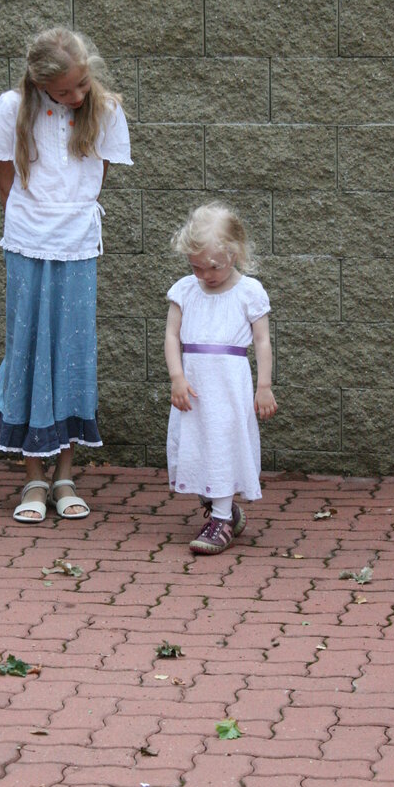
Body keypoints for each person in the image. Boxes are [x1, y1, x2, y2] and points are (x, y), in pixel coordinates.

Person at [0, 27, 132, 522]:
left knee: (71, 352)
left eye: (82, 84)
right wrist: (32, 225)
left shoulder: (105, 110)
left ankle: (64, 475)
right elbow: (5, 181)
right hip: (26, 242)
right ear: (41, 84)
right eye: (64, 91)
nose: (77, 96)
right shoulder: (11, 107)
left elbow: (96, 179)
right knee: (28, 347)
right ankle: (33, 479)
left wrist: (69, 221)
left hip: (77, 245)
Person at [164, 202, 277, 554]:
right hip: (195, 389)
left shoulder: (249, 292)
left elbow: (262, 341)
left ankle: (222, 518)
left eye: (213, 266)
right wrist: (176, 377)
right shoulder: (185, 290)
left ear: (235, 253)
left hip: (228, 389)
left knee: (223, 445)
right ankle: (222, 509)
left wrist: (264, 386)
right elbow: (171, 336)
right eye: (196, 266)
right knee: (197, 447)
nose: (205, 275)